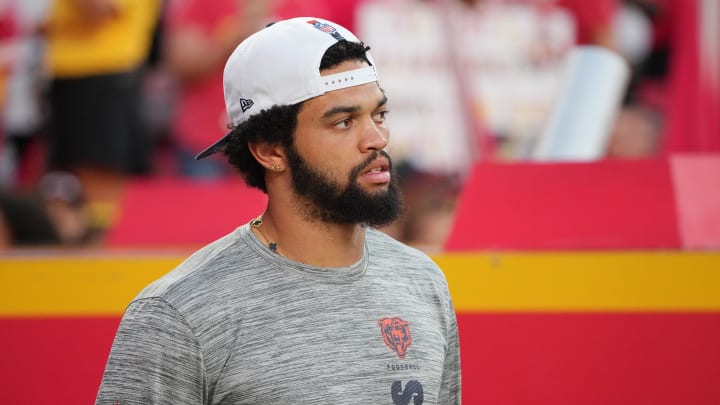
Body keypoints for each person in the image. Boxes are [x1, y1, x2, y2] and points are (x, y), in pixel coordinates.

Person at [95, 17, 461, 404]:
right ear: (269, 150)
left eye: (379, 115)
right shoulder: (177, 313)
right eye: (342, 122)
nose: (377, 138)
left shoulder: (423, 282)